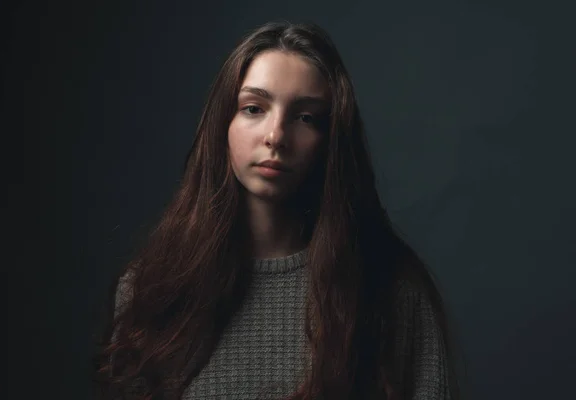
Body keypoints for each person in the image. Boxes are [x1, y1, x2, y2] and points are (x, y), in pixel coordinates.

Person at [93, 21, 461, 400]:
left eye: (305, 117)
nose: (276, 135)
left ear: (330, 139)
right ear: (223, 123)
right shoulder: (153, 288)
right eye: (254, 108)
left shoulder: (391, 288)